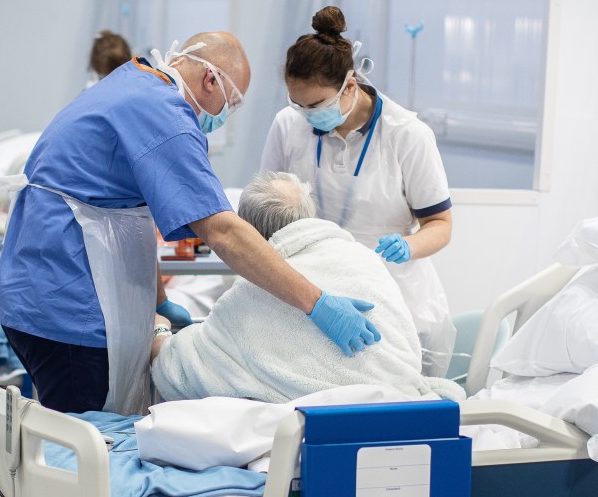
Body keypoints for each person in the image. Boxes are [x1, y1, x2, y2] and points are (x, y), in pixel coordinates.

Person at [0, 31, 381, 421]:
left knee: (65, 431)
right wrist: (317, 303)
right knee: (83, 438)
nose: (226, 116)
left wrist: (156, 301)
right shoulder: (165, 116)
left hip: (36, 292)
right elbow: (224, 231)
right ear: (211, 80)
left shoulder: (133, 82)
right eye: (234, 102)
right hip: (69, 307)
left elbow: (123, 216)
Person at [259, 6, 456, 377]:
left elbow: (441, 224)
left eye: (316, 105)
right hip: (311, 291)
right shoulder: (289, 125)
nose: (306, 114)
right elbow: (266, 206)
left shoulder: (407, 135)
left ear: (350, 85)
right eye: (297, 104)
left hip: (391, 291)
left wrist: (408, 246)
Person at [151, 171, 464, 403]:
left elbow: (179, 373)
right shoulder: (366, 261)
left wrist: (160, 330)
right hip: (402, 414)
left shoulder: (245, 299)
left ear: (248, 229)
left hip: (313, 436)